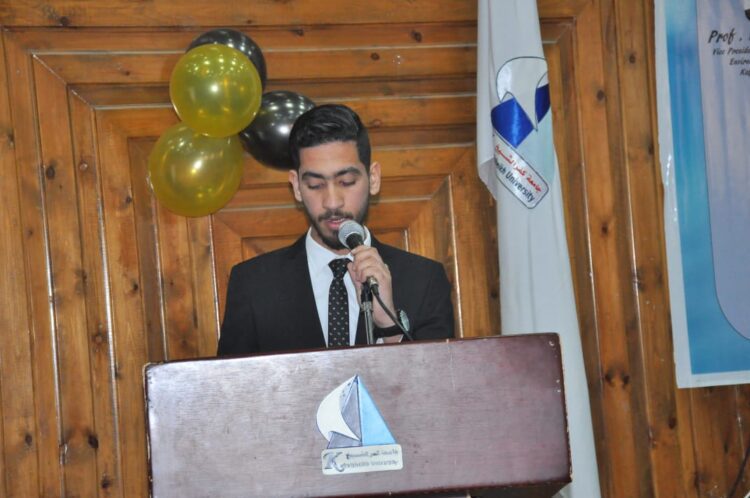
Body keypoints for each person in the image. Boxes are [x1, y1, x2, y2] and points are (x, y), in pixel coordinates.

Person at [217, 104, 454, 356]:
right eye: (315, 185)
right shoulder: (254, 284)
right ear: (296, 187)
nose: (332, 202)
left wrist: (388, 324)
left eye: (346, 182)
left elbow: (438, 379)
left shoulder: (425, 280)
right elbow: (232, 380)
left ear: (373, 178)